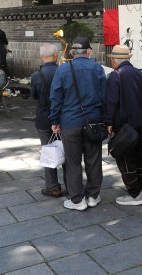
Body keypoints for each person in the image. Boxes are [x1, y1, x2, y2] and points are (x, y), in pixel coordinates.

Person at [49, 37, 107, 211]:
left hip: (70, 121)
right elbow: (105, 97)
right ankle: (93, 196)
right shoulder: (98, 69)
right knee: (94, 160)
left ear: (72, 53)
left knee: (73, 162)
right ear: (89, 51)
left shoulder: (63, 70)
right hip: (94, 121)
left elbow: (55, 97)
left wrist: (54, 120)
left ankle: (77, 199)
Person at [103, 45, 142, 205]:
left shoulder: (116, 75)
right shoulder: (138, 73)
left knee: (125, 158)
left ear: (115, 61)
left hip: (125, 125)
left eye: (112, 61)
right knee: (141, 155)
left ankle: (135, 193)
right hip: (141, 122)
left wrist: (108, 122)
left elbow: (111, 102)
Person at [30, 43, 63, 197]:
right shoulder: (63, 71)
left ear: (42, 56)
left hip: (44, 118)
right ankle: (72, 185)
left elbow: (34, 96)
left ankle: (53, 187)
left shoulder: (37, 75)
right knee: (68, 150)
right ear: (56, 55)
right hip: (64, 118)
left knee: (48, 151)